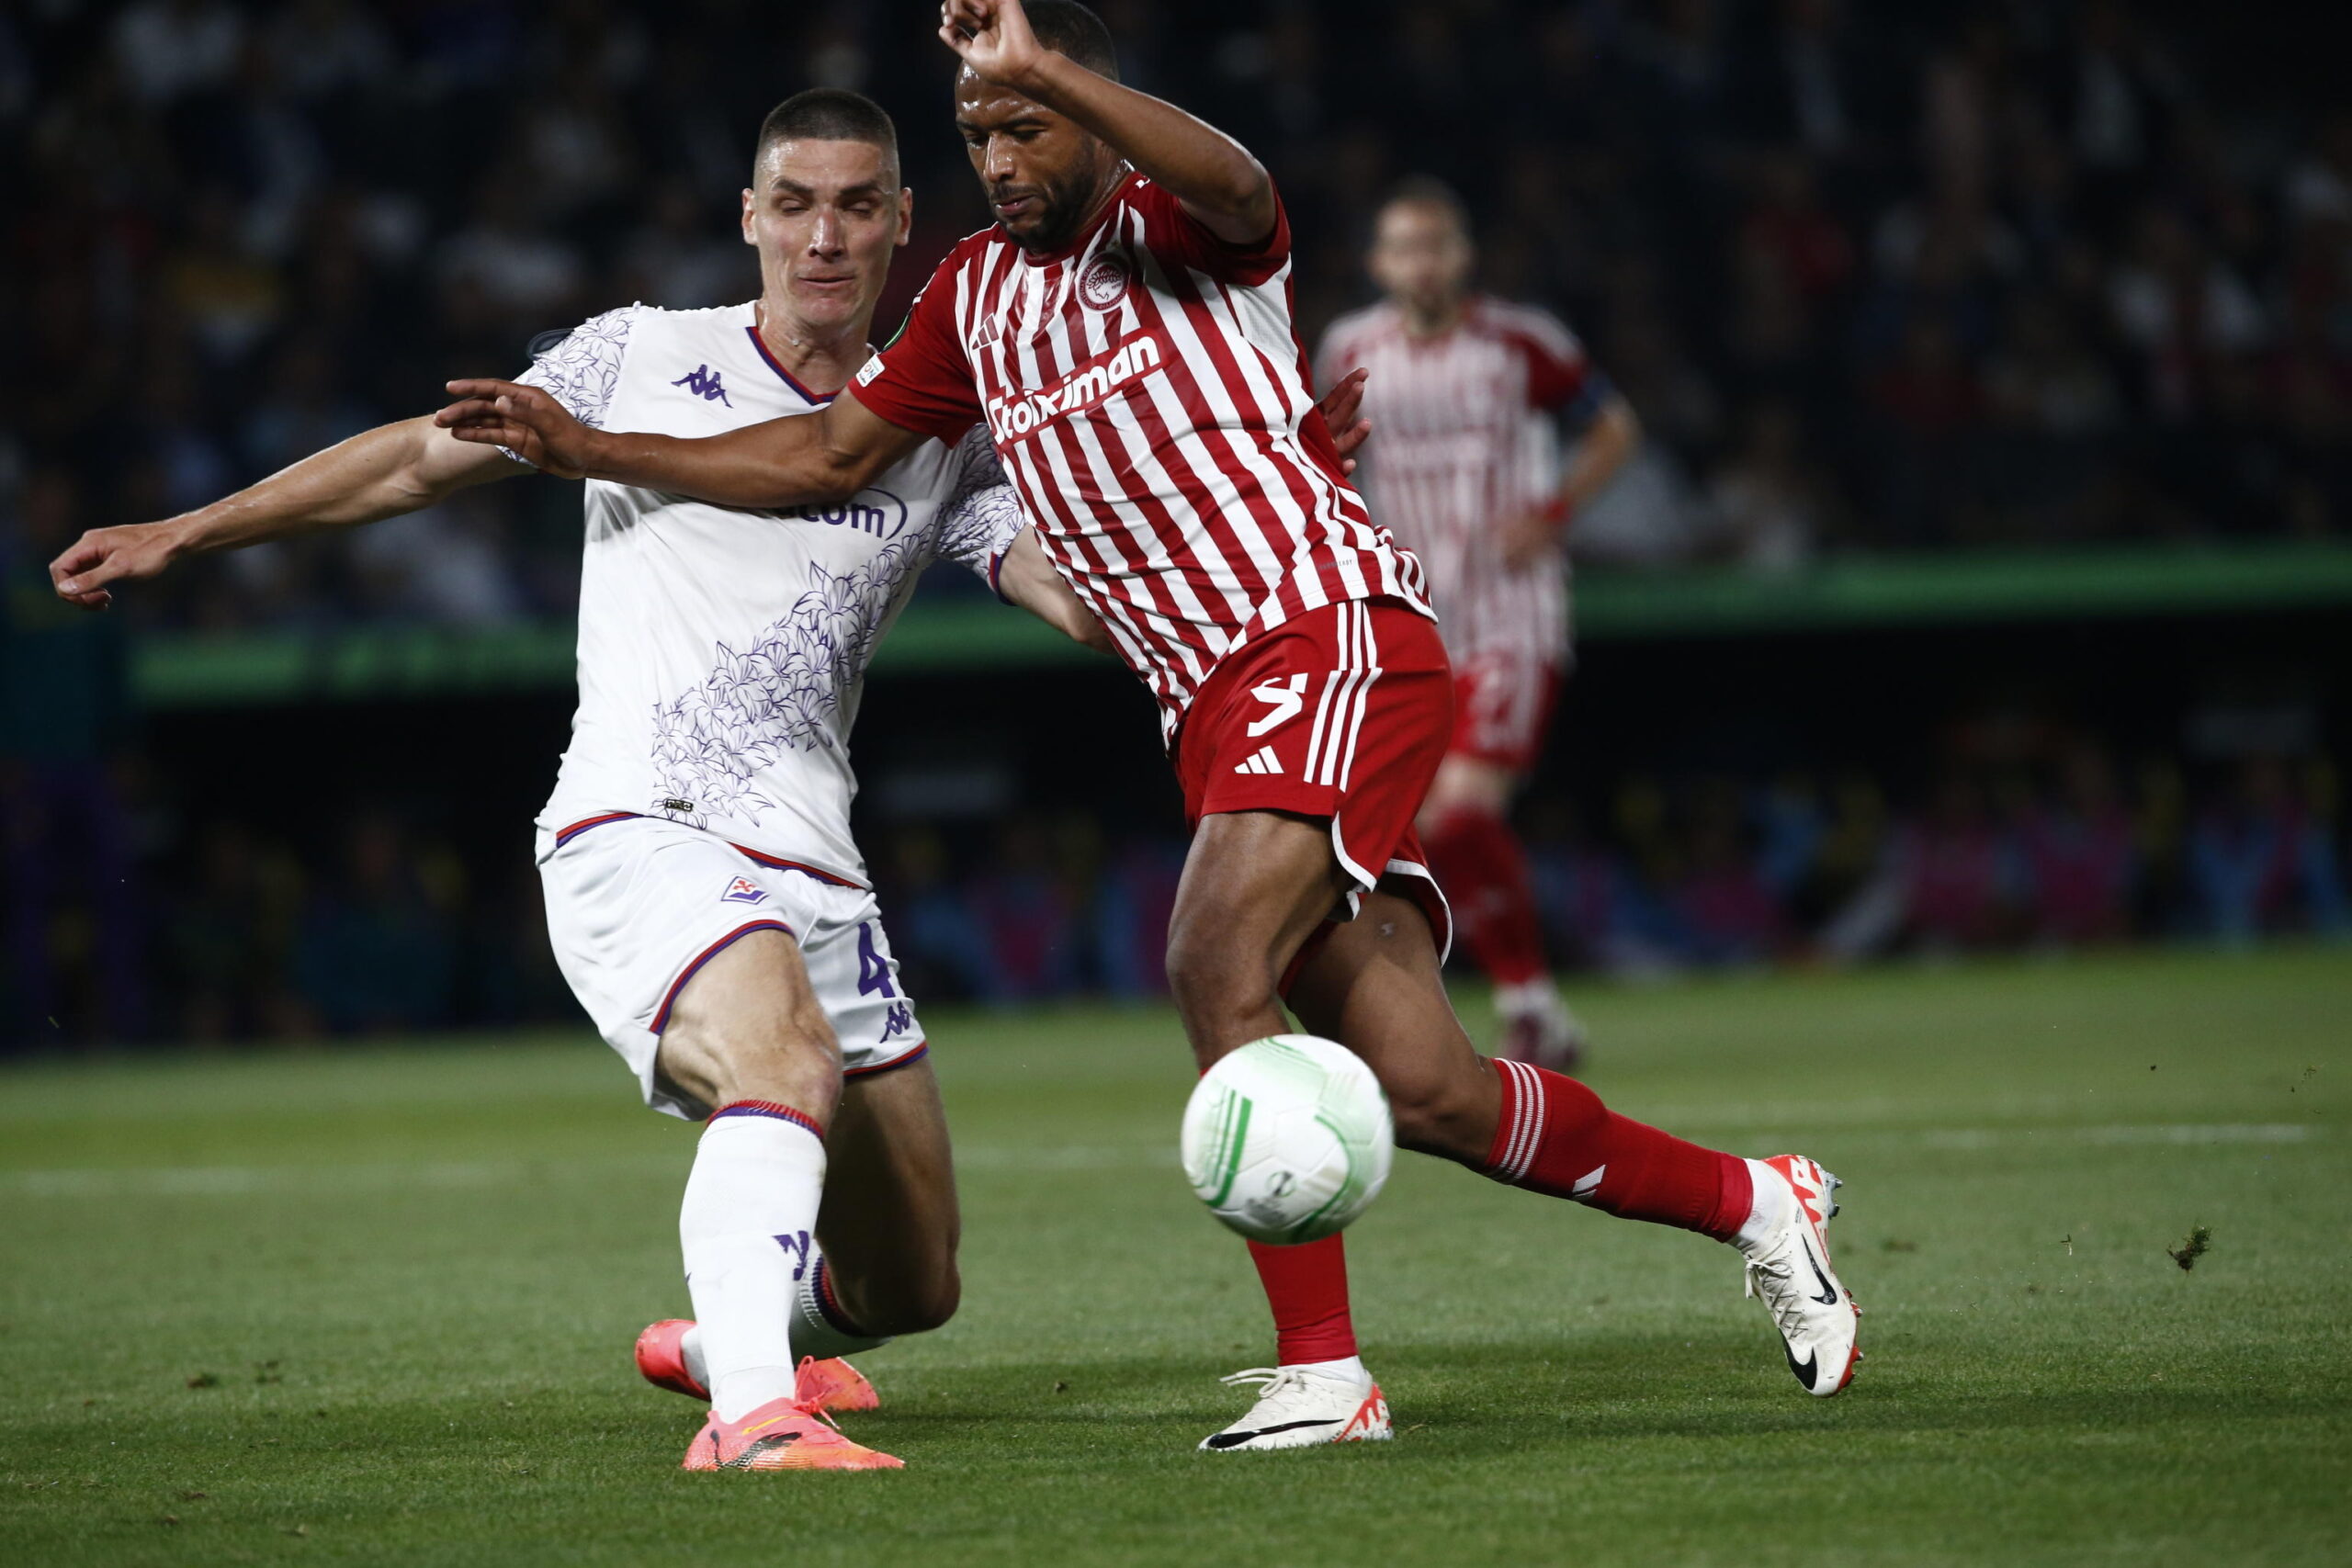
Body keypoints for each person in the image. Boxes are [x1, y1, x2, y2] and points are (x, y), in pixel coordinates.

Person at [436, 0, 1863, 1453]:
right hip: (1218, 702)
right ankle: (1760, 1200)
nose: (1000, 156)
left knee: (1208, 956)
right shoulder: (972, 301)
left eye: (1028, 123)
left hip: (1330, 634)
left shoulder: (1179, 228)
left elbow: (1244, 189)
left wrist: (1042, 60)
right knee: (1423, 1085)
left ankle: (1326, 1370)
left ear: (1092, 111)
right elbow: (824, 454)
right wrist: (598, 447)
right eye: (980, 131)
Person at [51, 87, 1372, 1473]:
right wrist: (190, 531)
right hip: (643, 825)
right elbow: (409, 463)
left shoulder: (940, 416)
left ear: (903, 224)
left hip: (819, 868)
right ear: (747, 217)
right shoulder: (637, 355)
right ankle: (753, 1415)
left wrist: (1251, 509)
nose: (825, 235)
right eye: (795, 203)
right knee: (778, 1049)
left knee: (913, 1281)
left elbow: (1079, 594)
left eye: (860, 205)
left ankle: (723, 1332)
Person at [1318, 181, 1643, 1070]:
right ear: (1378, 264)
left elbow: (1613, 427)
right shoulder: (1348, 346)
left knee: (1460, 814)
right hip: (1408, 617)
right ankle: (1518, 1006)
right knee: (1409, 832)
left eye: (1438, 245)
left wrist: (1551, 512)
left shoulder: (1518, 342)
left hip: (1510, 613)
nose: (1422, 262)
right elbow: (1316, 453)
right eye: (1403, 247)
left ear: (1462, 257)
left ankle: (1528, 1003)